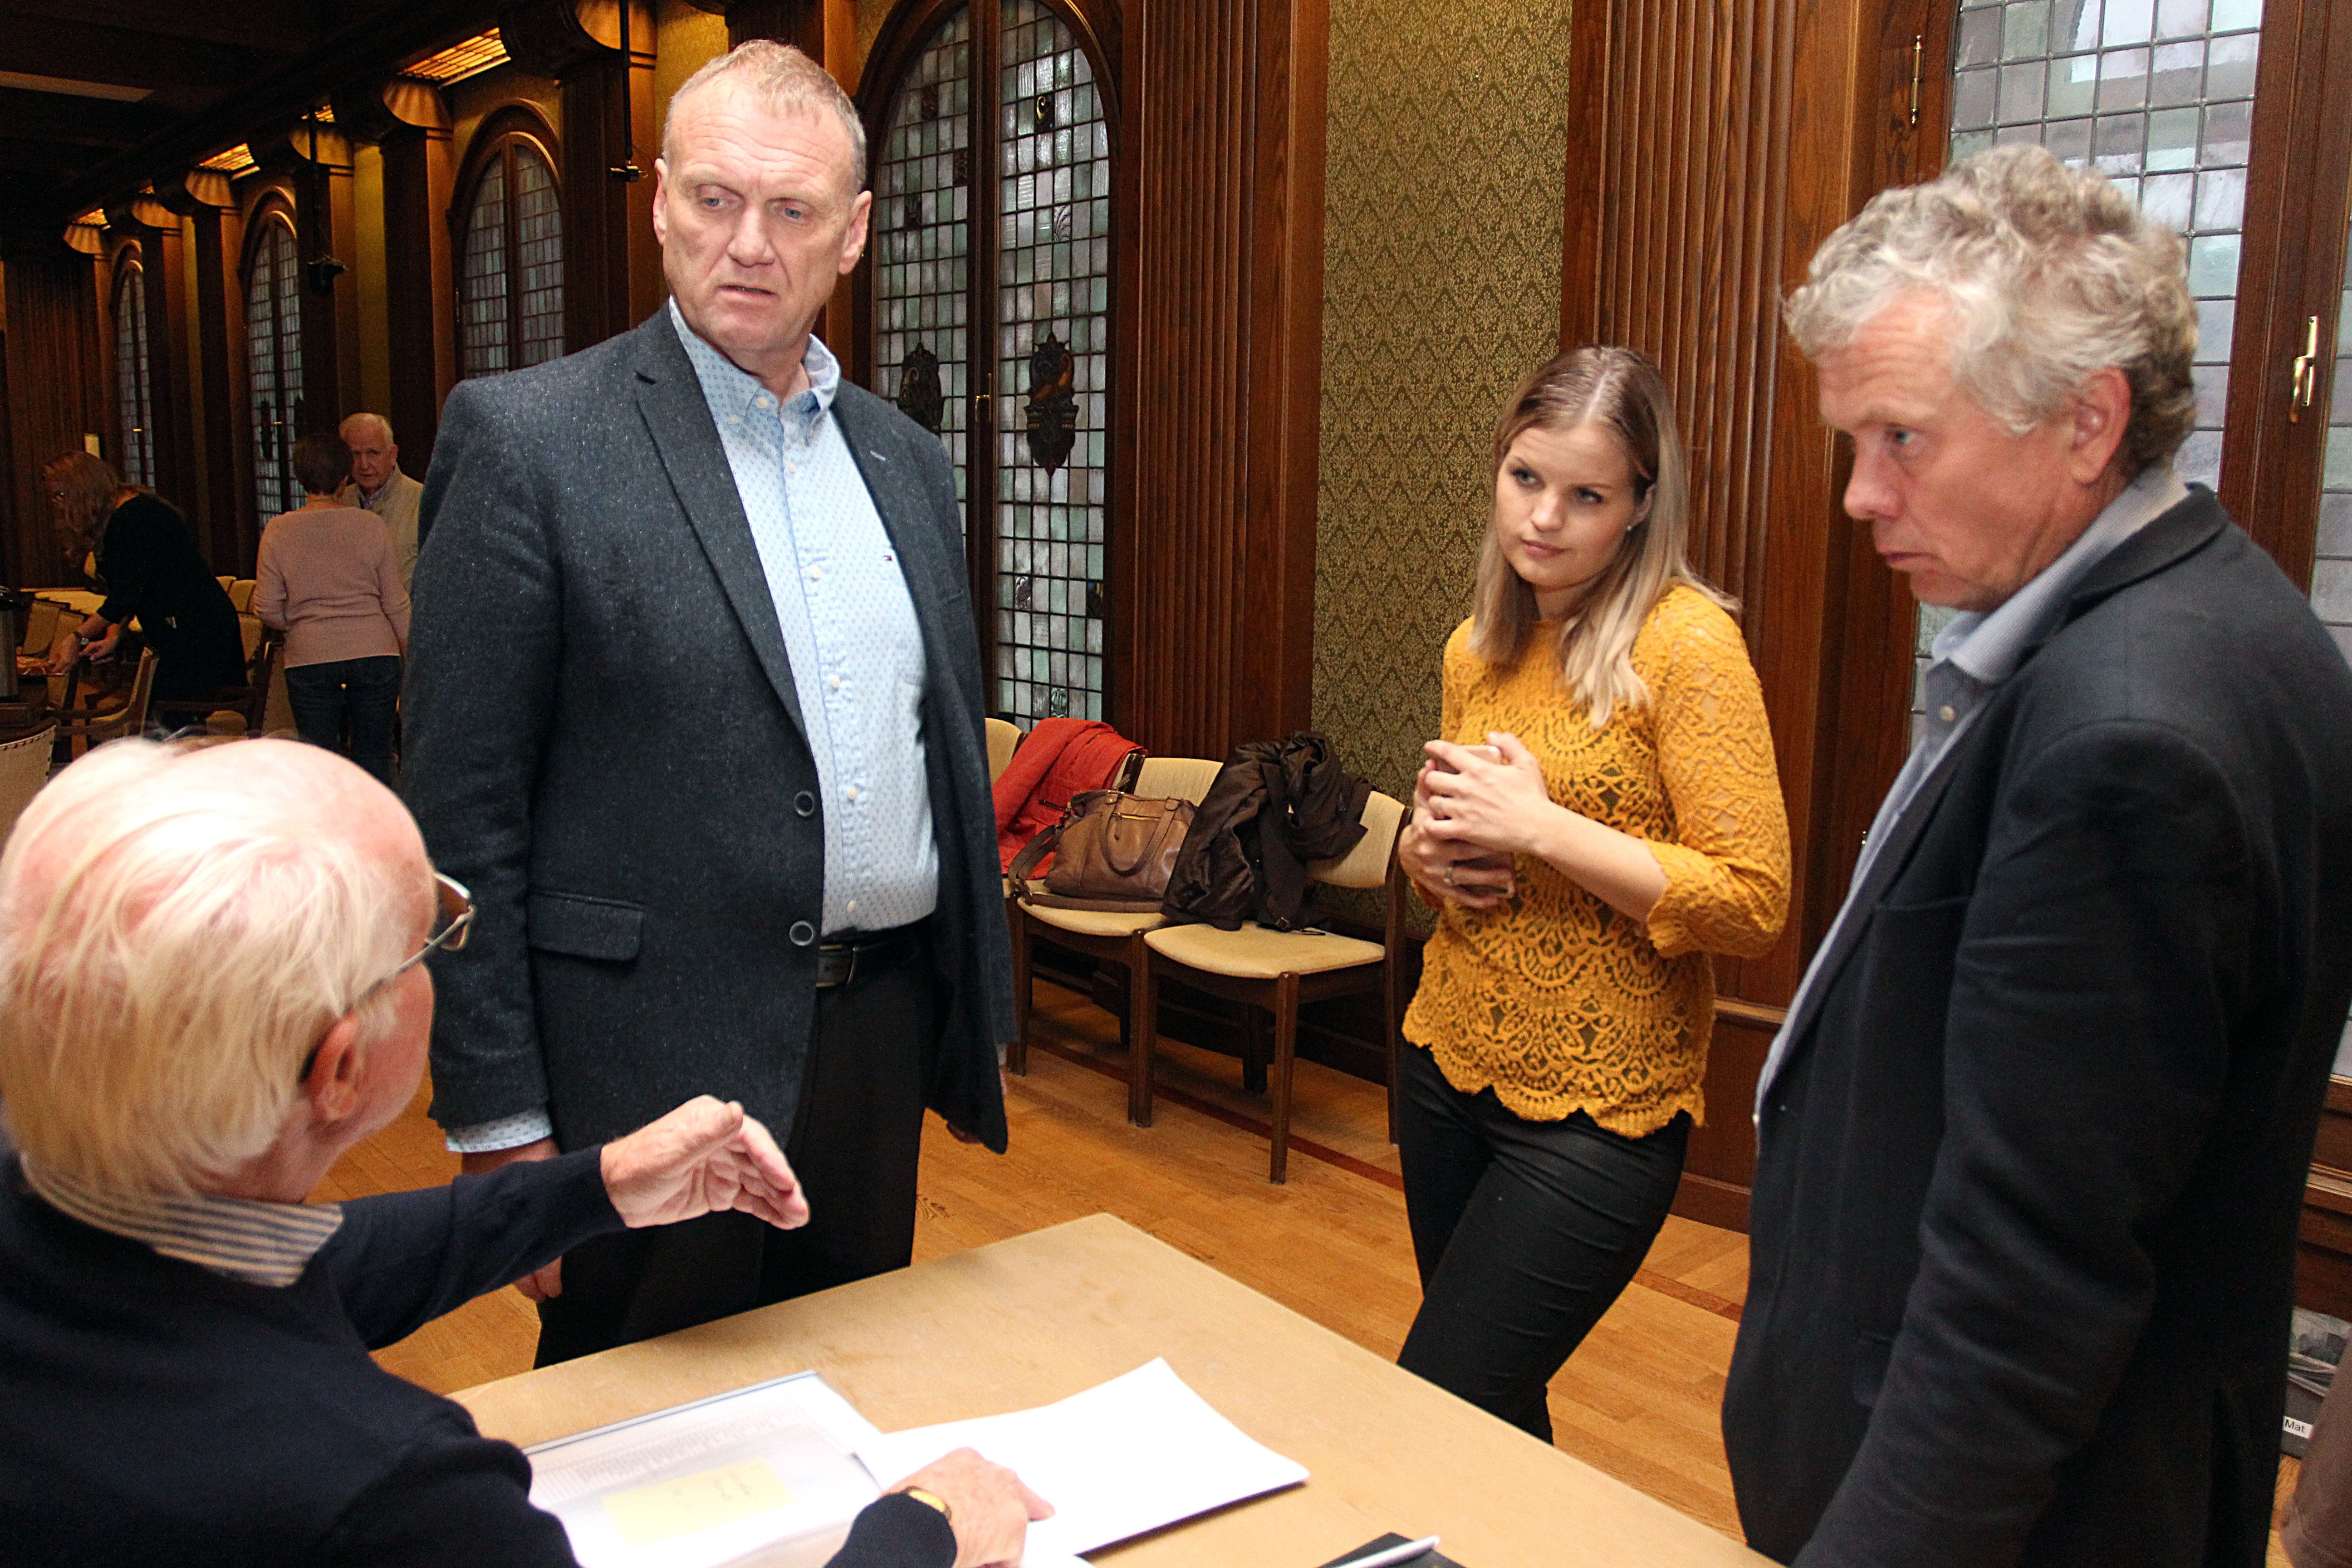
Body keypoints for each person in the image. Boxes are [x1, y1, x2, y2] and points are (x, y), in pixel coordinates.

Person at [1721, 145, 2352, 1568]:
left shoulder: (2127, 741)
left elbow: (2030, 1289)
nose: (1860, 496)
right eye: (1853, 443)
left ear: (2087, 421)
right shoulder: (2232, 613)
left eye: (1903, 440)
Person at [0, 737, 1049, 1568]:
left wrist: (596, 1185)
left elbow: (316, 1263)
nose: (446, 953)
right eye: (432, 933)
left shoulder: (66, 1222)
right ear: (341, 1065)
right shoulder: (392, 1494)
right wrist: (922, 1526)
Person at [404, 39, 1013, 1367]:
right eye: (715, 198)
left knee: (850, 1383)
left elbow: (932, 745)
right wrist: (500, 1123)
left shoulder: (908, 463)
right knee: (640, 1417)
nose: (749, 243)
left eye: (792, 210)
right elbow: (460, 815)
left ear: (852, 233)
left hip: (875, 1035)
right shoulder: (530, 442)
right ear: (660, 201)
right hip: (642, 1052)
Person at [1392, 346, 1790, 1440]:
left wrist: (1544, 828)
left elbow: (1753, 901)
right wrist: (1427, 858)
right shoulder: (1476, 645)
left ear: (1640, 506)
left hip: (1596, 1113)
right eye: (1526, 478)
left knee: (1435, 1404)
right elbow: (1460, 854)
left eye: (1587, 496)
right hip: (1443, 1063)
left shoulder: (1687, 644)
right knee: (1495, 1416)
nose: (1544, 518)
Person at [254, 432, 411, 786]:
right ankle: (376, 819)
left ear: (299, 476)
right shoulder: (371, 525)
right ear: (345, 477)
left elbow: (266, 607)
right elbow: (395, 601)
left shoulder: (278, 531)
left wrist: (298, 623)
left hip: (310, 654)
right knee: (375, 755)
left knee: (319, 759)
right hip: (375, 651)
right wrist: (411, 653)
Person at [40, 451, 242, 704]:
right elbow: (128, 589)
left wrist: (78, 637)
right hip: (181, 626)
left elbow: (128, 593)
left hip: (196, 630)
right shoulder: (124, 514)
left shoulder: (134, 518)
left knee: (175, 715)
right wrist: (114, 635)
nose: (58, 504)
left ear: (83, 490)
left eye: (61, 495)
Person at [337, 412, 424, 593]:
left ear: (393, 455)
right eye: (355, 455)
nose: (364, 465)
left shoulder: (421, 501)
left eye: (373, 453)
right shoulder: (339, 502)